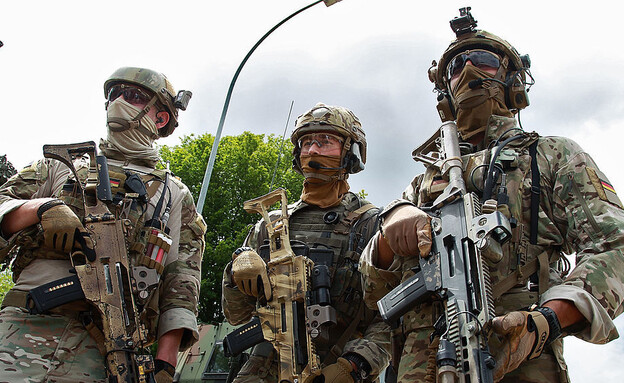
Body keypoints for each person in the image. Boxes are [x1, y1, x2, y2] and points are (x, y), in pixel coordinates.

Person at [359, 8, 624, 383]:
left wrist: (547, 320)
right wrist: (389, 236)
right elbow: (371, 293)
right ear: (444, 92)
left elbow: (616, 246)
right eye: (455, 68)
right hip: (418, 366)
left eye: (482, 62)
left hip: (515, 356)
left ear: (513, 80)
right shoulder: (420, 186)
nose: (467, 73)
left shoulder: (549, 156)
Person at [0, 67, 207, 382]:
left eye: (135, 96)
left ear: (161, 118)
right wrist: (42, 208)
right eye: (114, 94)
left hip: (107, 349)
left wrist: (164, 366)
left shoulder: (174, 196)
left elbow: (181, 285)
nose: (119, 102)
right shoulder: (59, 167)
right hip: (22, 326)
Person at [222, 103, 390, 383]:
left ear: (351, 153)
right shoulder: (271, 223)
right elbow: (236, 315)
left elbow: (391, 315)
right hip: (259, 372)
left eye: (325, 142)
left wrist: (356, 365)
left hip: (332, 370)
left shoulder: (371, 223)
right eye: (306, 143)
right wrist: (235, 273)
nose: (312, 151)